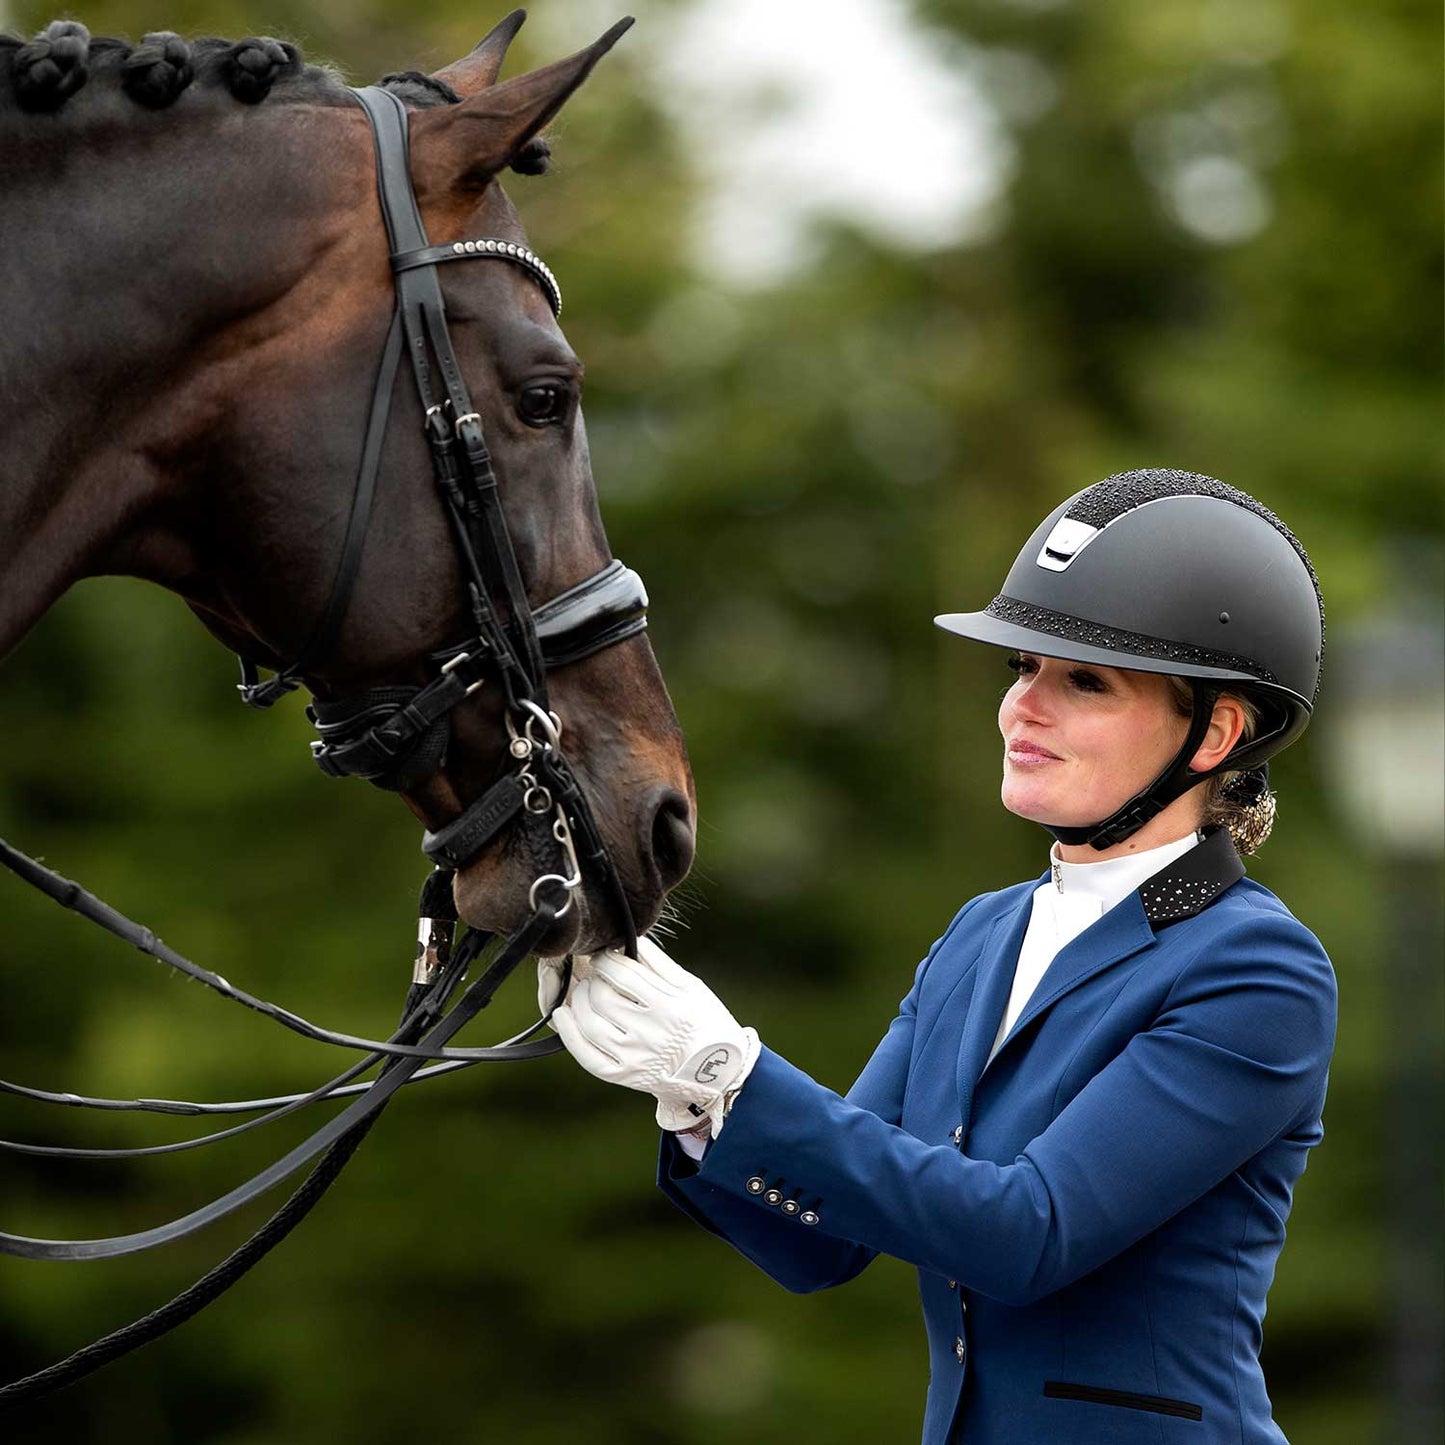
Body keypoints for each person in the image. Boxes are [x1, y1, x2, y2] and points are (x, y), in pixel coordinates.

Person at [542, 468, 1336, 1445]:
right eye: (1021, 669)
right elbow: (821, 1241)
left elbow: (1027, 1232)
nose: (1020, 708)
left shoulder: (1254, 969)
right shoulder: (981, 933)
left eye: (1082, 680)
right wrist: (695, 1103)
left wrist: (736, 1072)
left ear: (1212, 731)